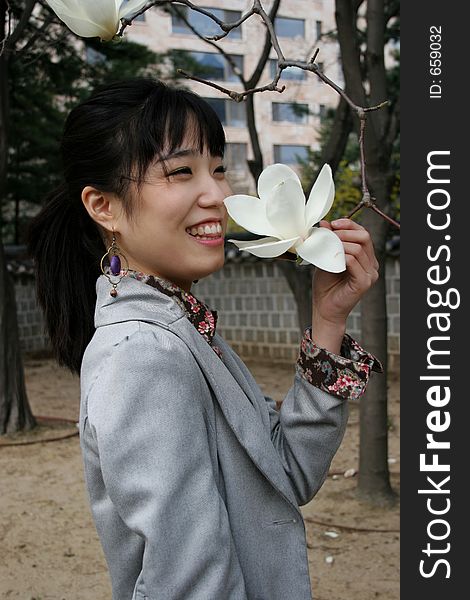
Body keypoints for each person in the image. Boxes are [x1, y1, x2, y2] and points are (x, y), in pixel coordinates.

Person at [27, 78, 383, 600]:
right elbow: (191, 584)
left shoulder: (184, 329)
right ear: (104, 207)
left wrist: (328, 321)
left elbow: (287, 472)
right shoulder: (144, 356)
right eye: (180, 172)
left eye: (218, 169)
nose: (217, 194)